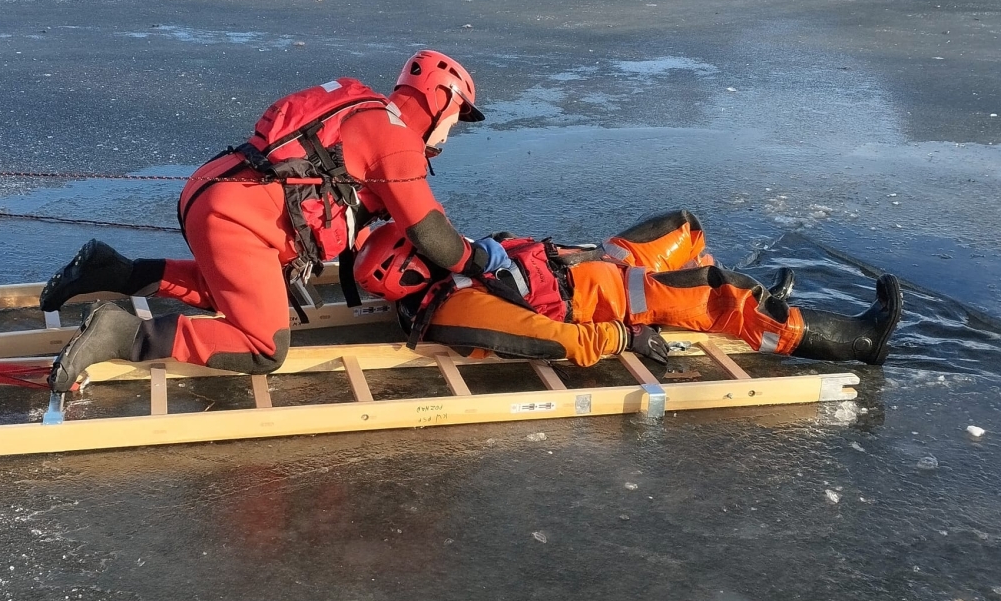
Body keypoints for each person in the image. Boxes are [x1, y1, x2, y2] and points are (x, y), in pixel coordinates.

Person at [43, 50, 514, 391]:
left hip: (212, 190)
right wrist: (480, 260)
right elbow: (432, 236)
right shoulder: (397, 140)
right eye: (455, 117)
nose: (452, 131)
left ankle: (112, 271)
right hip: (237, 220)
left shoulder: (365, 109)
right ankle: (122, 332)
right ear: (438, 100)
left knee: (238, 291)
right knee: (264, 346)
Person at [353, 209, 903, 367]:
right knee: (724, 293)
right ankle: (856, 341)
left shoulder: (458, 270)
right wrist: (623, 339)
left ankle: (764, 301)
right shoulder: (461, 307)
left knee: (684, 226)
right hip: (622, 300)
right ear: (411, 267)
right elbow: (554, 341)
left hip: (598, 262)